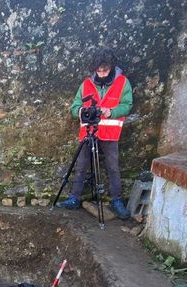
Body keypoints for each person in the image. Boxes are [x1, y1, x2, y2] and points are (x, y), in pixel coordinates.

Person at [57, 46, 133, 220]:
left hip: (110, 133)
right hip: (89, 131)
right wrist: (81, 111)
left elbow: (127, 105)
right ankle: (74, 198)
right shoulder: (86, 84)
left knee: (113, 167)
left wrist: (111, 112)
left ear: (111, 67)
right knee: (81, 164)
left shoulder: (122, 83)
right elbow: (74, 107)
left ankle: (116, 201)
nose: (102, 74)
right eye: (99, 71)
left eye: (105, 71)